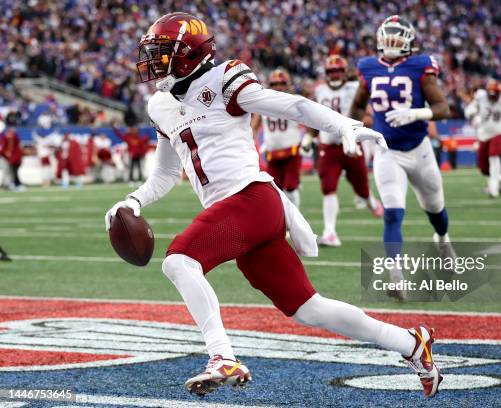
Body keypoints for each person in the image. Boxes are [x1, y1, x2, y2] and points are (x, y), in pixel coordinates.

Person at [105, 12, 441, 398]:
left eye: (161, 53)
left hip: (251, 197)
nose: (152, 62)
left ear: (187, 55)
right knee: (307, 308)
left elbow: (292, 106)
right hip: (241, 211)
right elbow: (165, 173)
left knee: (179, 260)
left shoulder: (224, 79)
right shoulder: (160, 105)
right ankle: (412, 343)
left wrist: (343, 125)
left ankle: (221, 357)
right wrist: (132, 200)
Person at [348, 15, 456, 300]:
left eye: (398, 38)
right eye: (388, 37)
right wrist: (347, 131)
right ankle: (396, 276)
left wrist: (416, 113)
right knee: (393, 212)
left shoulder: (420, 66)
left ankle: (443, 240)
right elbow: (357, 106)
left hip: (420, 150)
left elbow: (443, 108)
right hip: (387, 151)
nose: (392, 43)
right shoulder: (368, 68)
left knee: (436, 211)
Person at [302, 55, 383, 246]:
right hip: (329, 147)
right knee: (328, 187)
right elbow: (315, 118)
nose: (335, 74)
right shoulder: (319, 90)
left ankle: (372, 202)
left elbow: (369, 114)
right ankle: (330, 232)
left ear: (345, 72)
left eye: (338, 70)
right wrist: (309, 137)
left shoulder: (355, 88)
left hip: (352, 145)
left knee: (361, 189)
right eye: (331, 71)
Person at [251, 69, 304, 208]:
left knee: (291, 187)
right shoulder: (263, 103)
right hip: (272, 153)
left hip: (292, 150)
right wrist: (250, 144)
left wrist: (310, 137)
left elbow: (311, 119)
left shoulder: (294, 101)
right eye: (274, 84)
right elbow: (254, 127)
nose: (278, 87)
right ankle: (284, 218)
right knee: (276, 189)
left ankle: (295, 217)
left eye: (281, 83)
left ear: (287, 85)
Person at [465, 79, 501, 198]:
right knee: (483, 167)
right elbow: (469, 109)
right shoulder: (481, 96)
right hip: (484, 134)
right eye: (490, 94)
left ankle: (494, 189)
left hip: (500, 132)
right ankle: (500, 178)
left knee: (493, 155)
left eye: (495, 95)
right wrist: (472, 113)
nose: (492, 98)